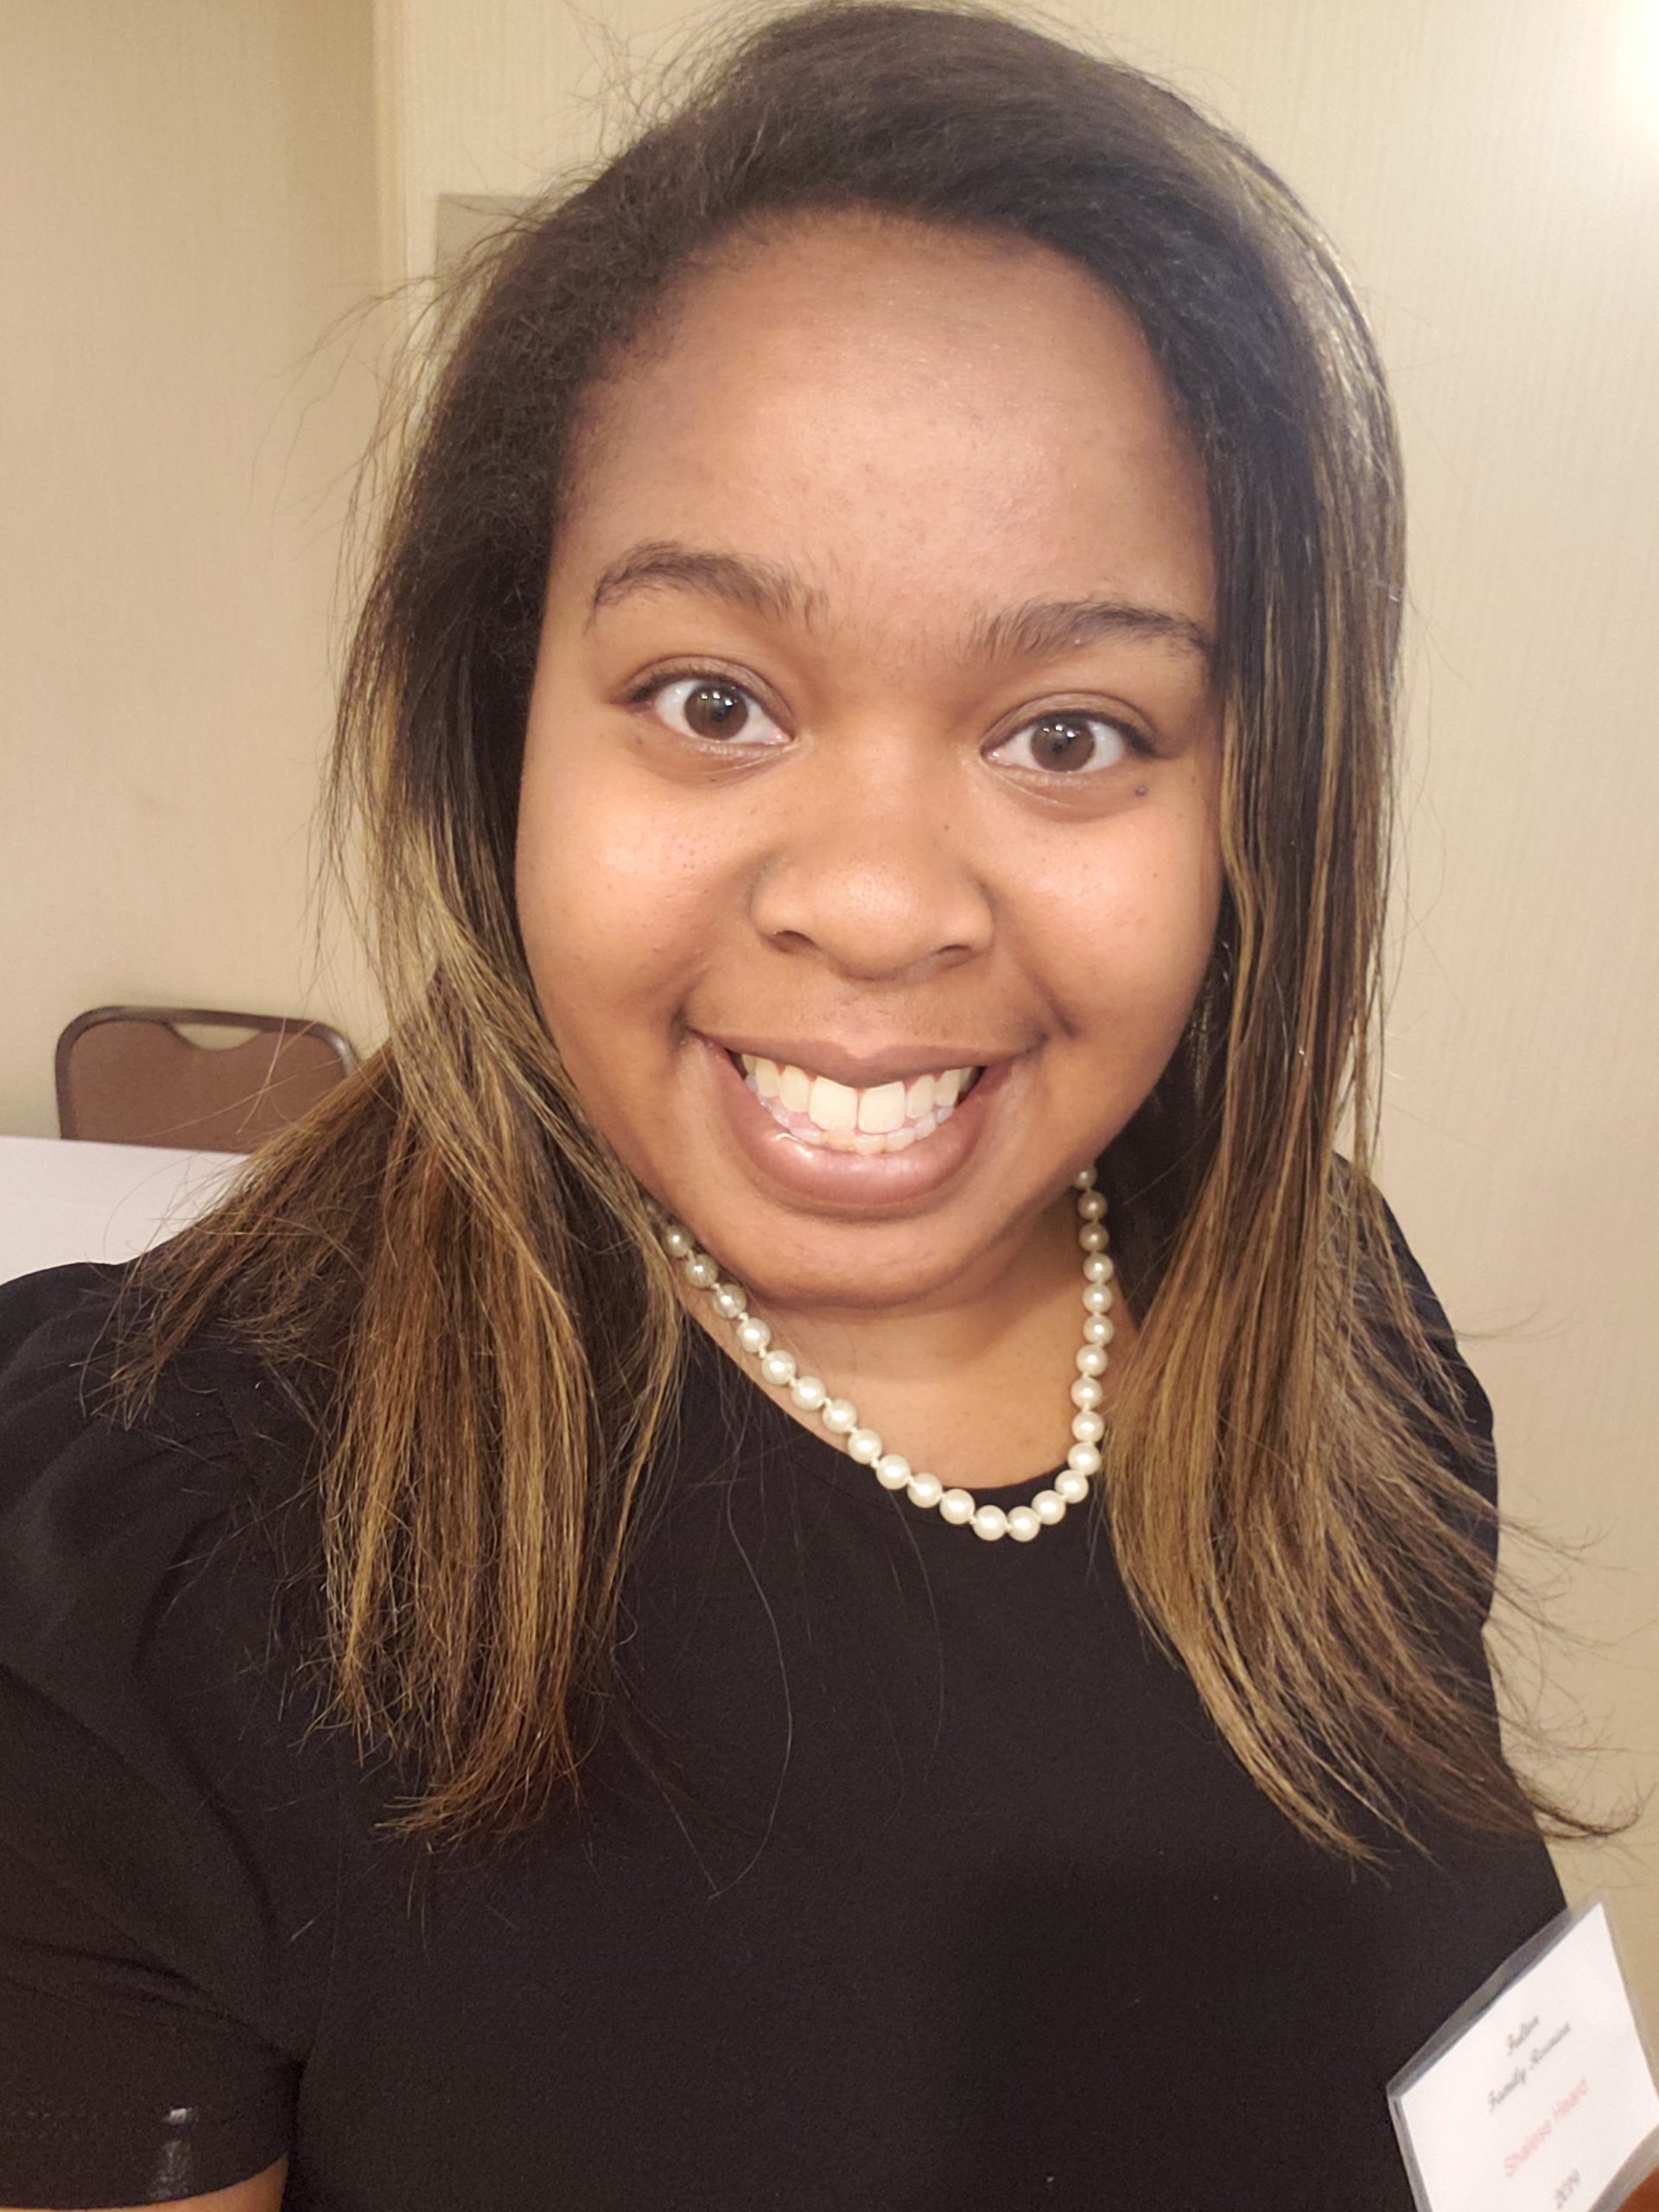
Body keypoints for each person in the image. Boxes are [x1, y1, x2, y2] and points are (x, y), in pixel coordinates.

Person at [0, 4, 1587, 2206]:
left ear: (1252, 796)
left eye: (1070, 733)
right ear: (507, 723)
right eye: (712, 697)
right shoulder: (156, 1562)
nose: (875, 906)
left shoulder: (1330, 1319)